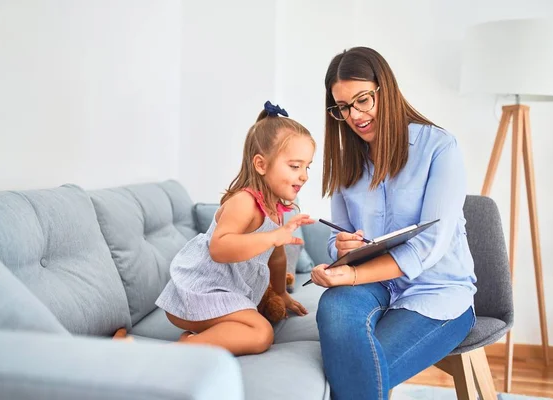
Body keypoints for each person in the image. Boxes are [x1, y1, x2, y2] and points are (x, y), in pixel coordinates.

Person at [310, 47, 477, 399]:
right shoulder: (347, 163)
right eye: (342, 107)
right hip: (378, 287)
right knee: (334, 305)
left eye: (363, 100)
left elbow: (430, 245)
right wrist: (341, 247)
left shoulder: (439, 148)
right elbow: (335, 236)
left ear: (384, 88)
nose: (354, 115)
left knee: (354, 374)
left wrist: (353, 275)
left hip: (437, 293)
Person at [156, 101, 315, 356]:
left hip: (224, 293)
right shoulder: (244, 202)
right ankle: (180, 351)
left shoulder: (275, 209)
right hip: (199, 293)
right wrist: (273, 237)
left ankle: (201, 340)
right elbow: (220, 248)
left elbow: (277, 258)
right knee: (261, 334)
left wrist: (282, 293)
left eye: (307, 167)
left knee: (261, 327)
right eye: (295, 166)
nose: (304, 175)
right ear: (261, 165)